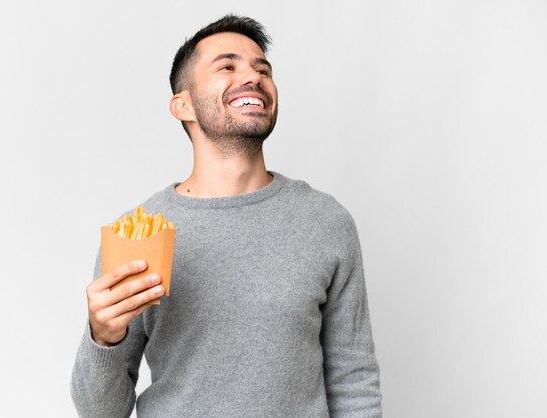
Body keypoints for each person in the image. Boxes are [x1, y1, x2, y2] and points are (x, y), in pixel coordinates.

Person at [71, 14, 382, 417]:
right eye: (227, 66)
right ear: (182, 105)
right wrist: (103, 337)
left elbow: (354, 380)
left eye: (262, 69)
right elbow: (101, 411)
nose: (253, 77)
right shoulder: (137, 234)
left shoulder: (325, 221)